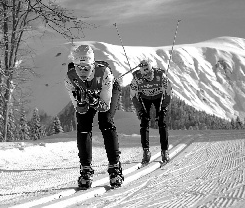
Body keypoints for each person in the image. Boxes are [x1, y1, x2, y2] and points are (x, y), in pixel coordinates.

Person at [64, 44, 124, 189]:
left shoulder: (104, 73)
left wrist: (94, 100)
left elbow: (105, 106)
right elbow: (81, 110)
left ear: (92, 65)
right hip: (89, 95)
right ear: (74, 66)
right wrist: (81, 101)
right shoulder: (69, 78)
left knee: (106, 122)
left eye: (86, 68)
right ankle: (85, 169)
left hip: (106, 92)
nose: (82, 71)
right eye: (79, 67)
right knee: (83, 126)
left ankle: (115, 167)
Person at [130, 59, 172, 165]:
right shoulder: (136, 78)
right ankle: (146, 151)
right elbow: (133, 95)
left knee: (162, 122)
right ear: (141, 73)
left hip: (159, 97)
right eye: (145, 75)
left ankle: (164, 151)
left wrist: (164, 107)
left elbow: (168, 91)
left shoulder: (161, 76)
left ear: (152, 70)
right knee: (144, 122)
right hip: (145, 98)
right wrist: (139, 110)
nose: (148, 77)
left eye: (149, 73)